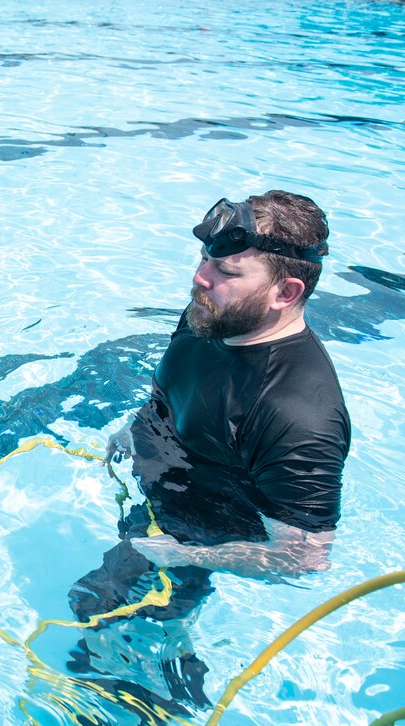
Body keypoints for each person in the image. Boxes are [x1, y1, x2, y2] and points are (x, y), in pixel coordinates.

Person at [67, 190, 351, 712]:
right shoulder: (214, 316)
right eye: (204, 260)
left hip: (201, 528)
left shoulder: (298, 416)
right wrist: (135, 433)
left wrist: (184, 555)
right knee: (99, 607)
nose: (201, 277)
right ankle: (163, 650)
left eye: (226, 270)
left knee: (101, 617)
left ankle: (158, 683)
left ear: (285, 293)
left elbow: (306, 557)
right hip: (164, 494)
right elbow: (169, 388)